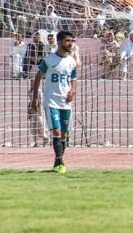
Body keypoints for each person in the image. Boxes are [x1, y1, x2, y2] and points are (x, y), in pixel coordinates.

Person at [31, 31, 78, 173]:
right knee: (56, 131)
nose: (70, 44)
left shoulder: (72, 61)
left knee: (64, 133)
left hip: (66, 102)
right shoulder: (48, 60)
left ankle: (58, 162)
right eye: (67, 41)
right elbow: (38, 78)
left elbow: (74, 80)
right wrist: (35, 97)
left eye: (72, 41)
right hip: (51, 100)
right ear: (59, 42)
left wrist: (73, 91)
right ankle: (60, 162)